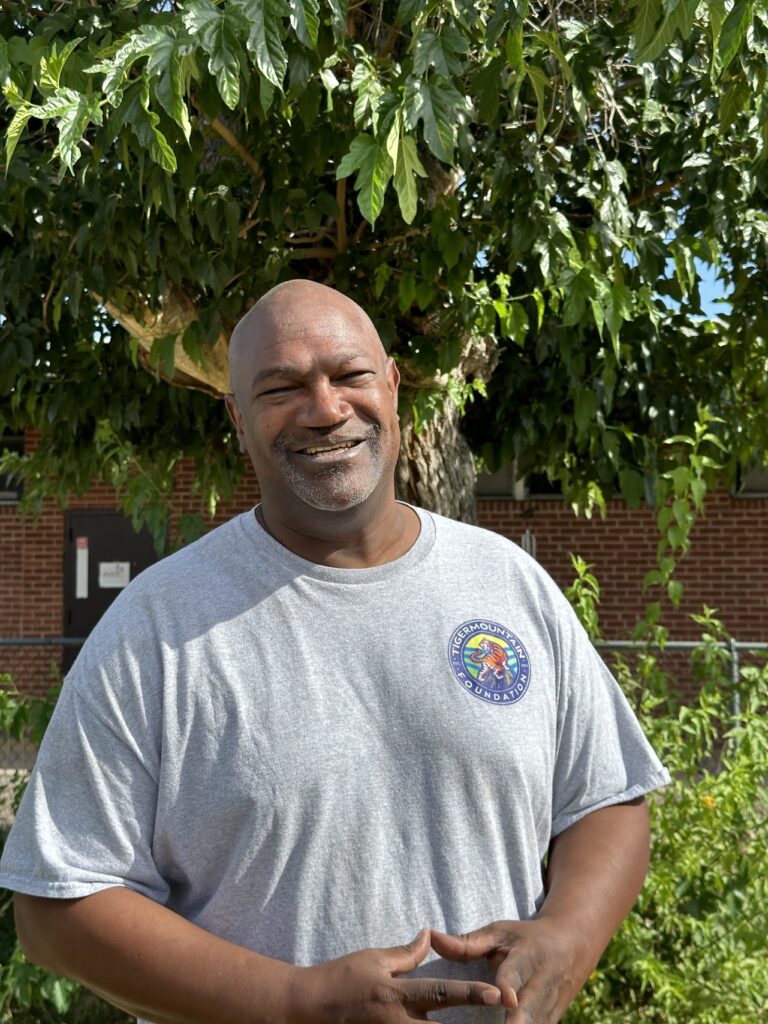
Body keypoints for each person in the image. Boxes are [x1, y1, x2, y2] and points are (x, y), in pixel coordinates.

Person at [0, 280, 669, 1024]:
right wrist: (297, 1002)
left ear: (391, 387)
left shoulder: (508, 585)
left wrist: (569, 937)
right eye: (282, 387)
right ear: (237, 419)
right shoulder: (157, 629)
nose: (325, 409)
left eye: (349, 376)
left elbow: (608, 798)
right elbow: (57, 906)